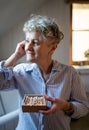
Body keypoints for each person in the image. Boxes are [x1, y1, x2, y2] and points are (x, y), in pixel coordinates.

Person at [0, 15, 89, 130]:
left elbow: (84, 108)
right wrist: (15, 56)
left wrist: (66, 106)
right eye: (27, 41)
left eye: (35, 42)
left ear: (52, 48)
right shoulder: (20, 71)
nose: (28, 47)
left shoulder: (70, 74)